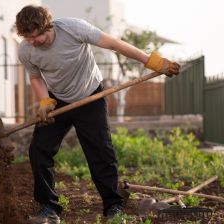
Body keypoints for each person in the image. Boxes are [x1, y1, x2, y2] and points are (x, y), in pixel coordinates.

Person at [15, 5, 180, 224]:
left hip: (89, 96)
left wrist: (152, 61)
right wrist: (44, 101)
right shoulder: (26, 50)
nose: (33, 41)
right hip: (58, 100)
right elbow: (35, 77)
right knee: (39, 150)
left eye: (37, 36)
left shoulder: (74, 28)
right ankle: (49, 208)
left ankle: (113, 206)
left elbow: (115, 44)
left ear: (48, 26)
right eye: (28, 38)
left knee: (101, 152)